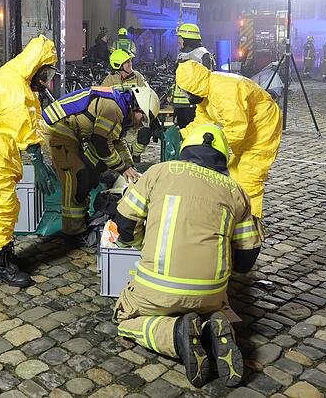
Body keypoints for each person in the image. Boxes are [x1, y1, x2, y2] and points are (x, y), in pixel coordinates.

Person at [112, 124, 261, 388]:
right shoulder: (237, 192)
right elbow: (247, 257)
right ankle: (208, 326)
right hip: (211, 296)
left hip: (154, 289)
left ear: (185, 149)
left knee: (125, 318)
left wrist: (138, 243)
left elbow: (124, 221)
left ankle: (178, 335)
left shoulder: (159, 172)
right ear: (223, 157)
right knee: (205, 307)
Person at [0, 35, 59, 287]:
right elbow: (22, 122)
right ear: (36, 66)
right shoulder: (11, 85)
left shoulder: (20, 82)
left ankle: (5, 254)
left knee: (8, 207)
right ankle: (1, 267)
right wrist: (37, 161)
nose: (46, 81)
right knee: (1, 209)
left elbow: (33, 119)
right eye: (46, 74)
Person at [42, 85, 160, 243]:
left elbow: (118, 142)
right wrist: (122, 168)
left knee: (88, 176)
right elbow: (101, 143)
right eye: (143, 118)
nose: (141, 124)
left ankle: (81, 222)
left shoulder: (121, 109)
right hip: (58, 128)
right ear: (136, 106)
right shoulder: (113, 109)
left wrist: (129, 166)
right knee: (76, 178)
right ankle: (73, 233)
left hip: (69, 129)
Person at [175, 60, 282, 217]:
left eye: (185, 92)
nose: (186, 96)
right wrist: (183, 134)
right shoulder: (205, 92)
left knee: (249, 180)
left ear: (192, 88)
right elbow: (203, 121)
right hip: (249, 129)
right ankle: (235, 218)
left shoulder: (224, 91)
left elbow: (237, 130)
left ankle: (251, 230)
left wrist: (210, 147)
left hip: (263, 128)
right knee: (231, 175)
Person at [101, 50, 156, 162]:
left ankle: (136, 154)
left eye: (130, 61)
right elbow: (102, 102)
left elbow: (147, 94)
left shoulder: (138, 77)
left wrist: (141, 111)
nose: (130, 64)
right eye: (126, 62)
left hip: (135, 118)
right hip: (117, 119)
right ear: (118, 65)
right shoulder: (109, 80)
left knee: (146, 132)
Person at [174, 23, 215, 129]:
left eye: (180, 38)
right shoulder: (182, 54)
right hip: (181, 104)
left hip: (195, 105)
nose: (179, 41)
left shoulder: (203, 54)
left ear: (186, 38)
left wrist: (196, 98)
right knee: (184, 134)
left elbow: (208, 79)